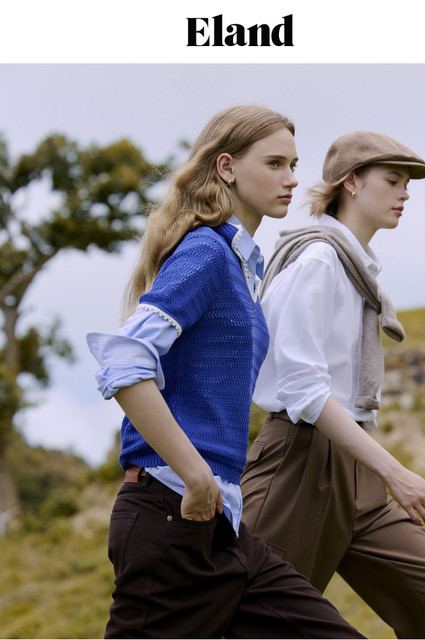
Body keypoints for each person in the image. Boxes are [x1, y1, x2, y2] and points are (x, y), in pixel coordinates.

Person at [86, 105, 365, 639]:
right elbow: (123, 360)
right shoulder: (207, 251)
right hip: (171, 517)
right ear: (227, 167)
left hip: (223, 528)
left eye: (294, 164)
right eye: (275, 163)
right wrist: (194, 474)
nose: (291, 178)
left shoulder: (240, 266)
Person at [241, 130, 425, 639]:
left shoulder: (354, 268)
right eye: (392, 180)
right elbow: (304, 390)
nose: (404, 193)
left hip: (355, 470)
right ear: (351, 183)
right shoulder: (317, 262)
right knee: (247, 623)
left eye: (407, 184)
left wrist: (376, 470)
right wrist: (397, 473)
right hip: (299, 464)